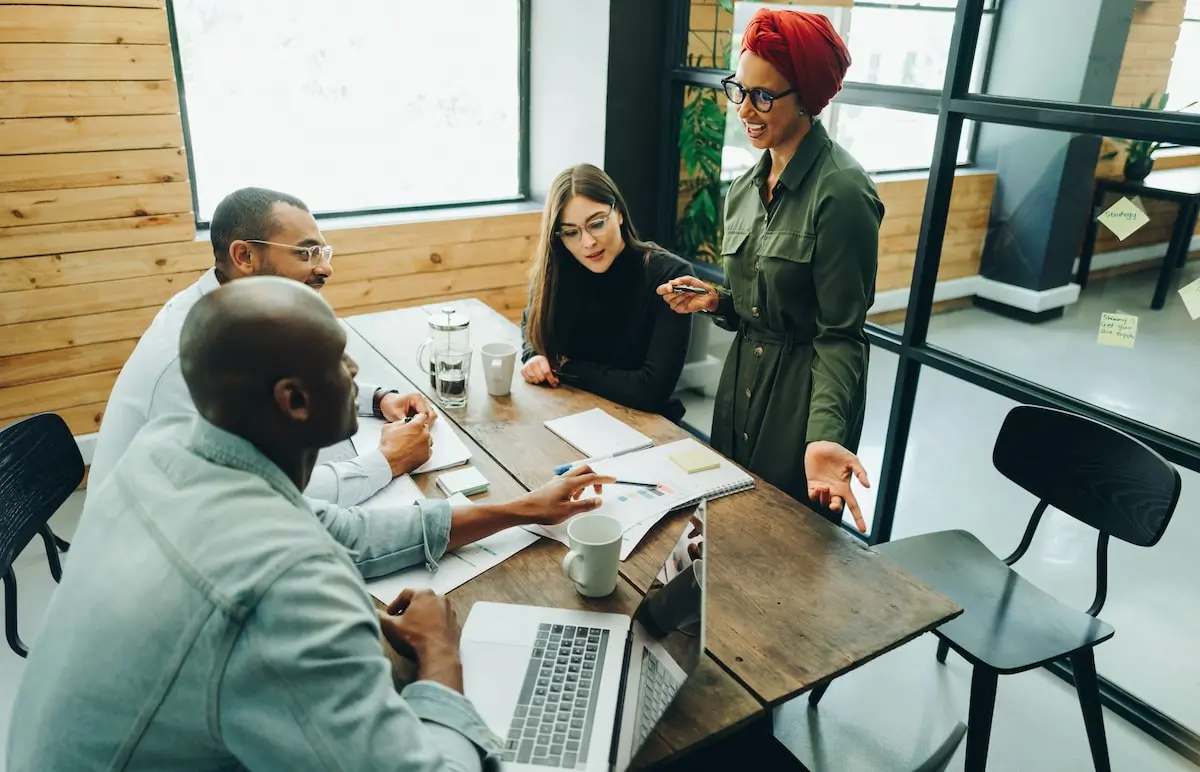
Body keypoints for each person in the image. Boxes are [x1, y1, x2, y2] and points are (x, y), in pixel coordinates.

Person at [7, 277, 614, 770]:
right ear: (294, 400)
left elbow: (343, 532)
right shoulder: (281, 592)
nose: (355, 369)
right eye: (338, 359)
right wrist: (438, 653)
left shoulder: (165, 446)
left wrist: (521, 508)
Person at [658, 8, 881, 530]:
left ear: (806, 98)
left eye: (763, 96)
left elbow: (841, 336)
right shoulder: (743, 190)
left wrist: (824, 434)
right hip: (739, 387)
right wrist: (716, 301)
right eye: (739, 89)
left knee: (786, 543)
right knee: (727, 525)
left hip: (800, 401)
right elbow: (759, 305)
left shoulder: (843, 193)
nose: (744, 109)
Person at [89, 186, 435, 509]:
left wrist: (378, 400)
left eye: (323, 252)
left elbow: (296, 385)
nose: (325, 268)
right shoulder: (187, 358)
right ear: (244, 256)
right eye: (306, 253)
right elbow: (258, 494)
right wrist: (387, 460)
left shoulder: (250, 306)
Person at [521, 164, 694, 422]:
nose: (588, 242)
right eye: (571, 232)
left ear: (619, 213)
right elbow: (531, 324)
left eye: (597, 223)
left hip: (646, 426)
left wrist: (565, 367)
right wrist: (534, 356)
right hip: (569, 414)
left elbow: (651, 390)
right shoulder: (556, 267)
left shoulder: (670, 276)